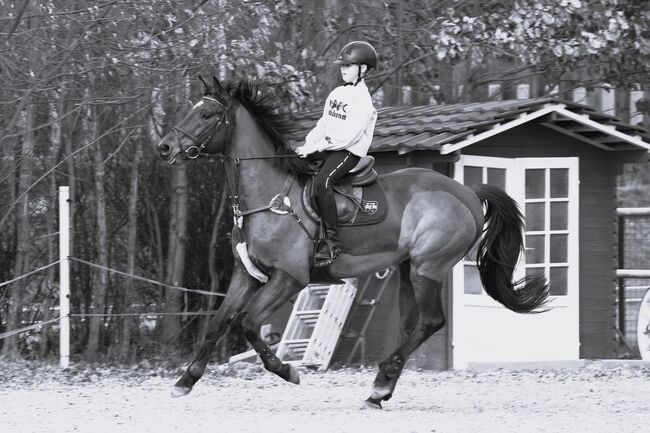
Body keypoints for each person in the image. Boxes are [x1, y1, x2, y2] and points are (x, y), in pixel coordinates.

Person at [295, 41, 378, 267]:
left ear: (363, 69)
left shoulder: (363, 100)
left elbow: (346, 137)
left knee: (322, 183)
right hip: (326, 146)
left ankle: (331, 242)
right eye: (342, 65)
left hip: (347, 152)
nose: (343, 69)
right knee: (293, 163)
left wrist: (314, 147)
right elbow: (324, 123)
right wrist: (306, 143)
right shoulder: (337, 92)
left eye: (349, 66)